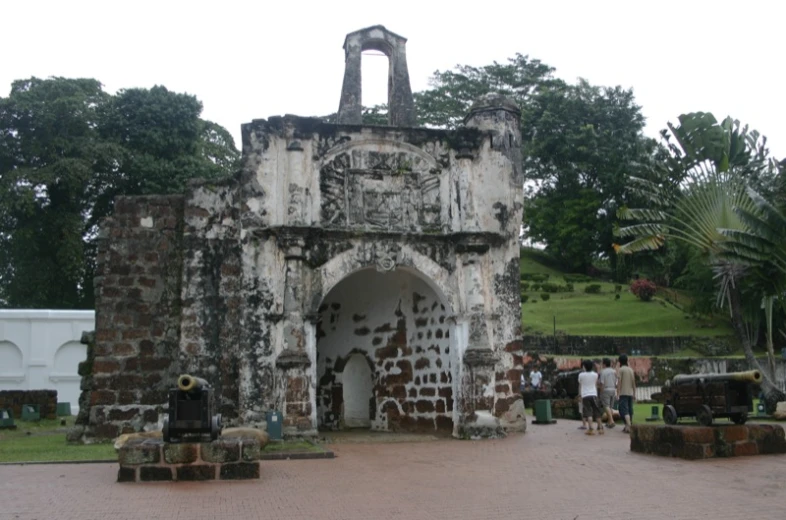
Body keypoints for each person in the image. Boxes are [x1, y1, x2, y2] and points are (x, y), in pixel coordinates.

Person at [578, 359, 603, 435]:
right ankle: (600, 428)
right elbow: (595, 384)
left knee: (588, 412)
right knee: (597, 411)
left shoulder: (581, 375)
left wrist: (580, 395)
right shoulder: (595, 375)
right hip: (594, 394)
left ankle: (591, 428)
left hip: (585, 395)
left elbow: (580, 384)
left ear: (584, 367)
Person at [617, 354, 636, 433]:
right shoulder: (631, 370)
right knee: (630, 409)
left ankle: (629, 426)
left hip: (623, 393)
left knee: (623, 410)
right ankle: (627, 427)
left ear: (620, 362)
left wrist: (618, 393)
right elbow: (633, 383)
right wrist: (634, 393)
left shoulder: (621, 370)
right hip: (630, 393)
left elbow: (619, 383)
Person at [598, 358, 617, 429]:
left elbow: (601, 383)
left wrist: (601, 391)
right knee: (610, 407)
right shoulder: (614, 371)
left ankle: (611, 421)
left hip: (606, 389)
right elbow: (616, 381)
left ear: (604, 364)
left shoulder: (603, 372)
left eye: (602, 363)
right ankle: (609, 422)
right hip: (613, 389)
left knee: (606, 406)